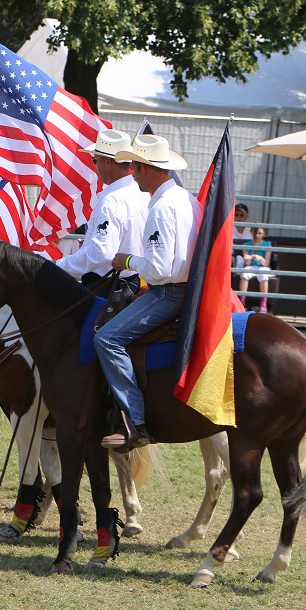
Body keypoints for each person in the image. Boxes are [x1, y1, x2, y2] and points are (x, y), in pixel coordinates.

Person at [97, 135, 201, 450]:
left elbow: (159, 270)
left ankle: (134, 421)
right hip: (190, 290)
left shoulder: (161, 208)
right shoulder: (187, 199)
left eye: (135, 167)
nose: (133, 173)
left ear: (144, 168)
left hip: (168, 294)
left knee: (106, 338)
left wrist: (126, 259)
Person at [58, 129, 149, 288]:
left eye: (95, 160)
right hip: (129, 280)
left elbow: (101, 253)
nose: (95, 166)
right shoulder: (140, 192)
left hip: (106, 285)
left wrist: (59, 266)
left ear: (107, 161)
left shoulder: (111, 201)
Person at [237, 226, 272, 313]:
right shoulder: (245, 245)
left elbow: (266, 263)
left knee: (263, 275)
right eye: (255, 233)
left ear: (263, 234)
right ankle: (242, 303)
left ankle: (263, 305)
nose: (257, 235)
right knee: (244, 274)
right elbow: (246, 264)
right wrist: (248, 259)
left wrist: (260, 258)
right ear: (251, 232)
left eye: (259, 233)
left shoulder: (268, 245)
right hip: (251, 267)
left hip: (263, 267)